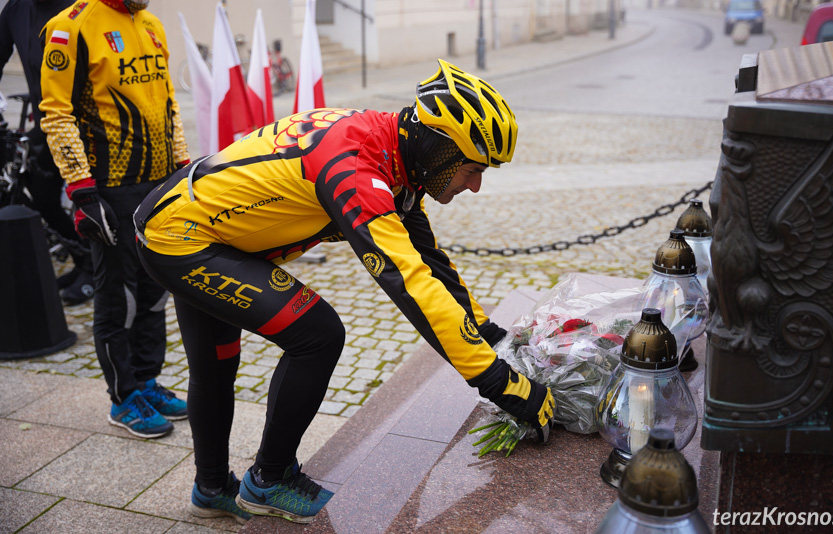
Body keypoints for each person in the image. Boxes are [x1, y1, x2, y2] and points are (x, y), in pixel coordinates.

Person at [134, 59, 556, 524]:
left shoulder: (394, 160)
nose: (474, 185)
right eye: (471, 169)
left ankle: (211, 489)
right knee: (317, 335)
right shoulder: (356, 168)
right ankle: (269, 481)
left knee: (217, 368)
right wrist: (500, 382)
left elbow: (429, 263)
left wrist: (491, 335)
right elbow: (410, 285)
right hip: (180, 238)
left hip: (205, 228)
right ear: (437, 148)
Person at [40, 0, 189, 438]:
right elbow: (56, 114)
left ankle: (146, 380)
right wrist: (82, 194)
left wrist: (183, 171)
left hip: (158, 187)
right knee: (117, 298)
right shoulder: (69, 27)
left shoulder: (152, 25)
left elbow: (168, 103)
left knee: (154, 292)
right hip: (109, 190)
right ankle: (123, 398)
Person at [0, 0, 94, 305]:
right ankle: (86, 261)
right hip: (46, 125)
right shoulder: (15, 9)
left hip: (84, 127)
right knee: (43, 200)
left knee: (89, 203)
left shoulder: (79, 11)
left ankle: (96, 272)